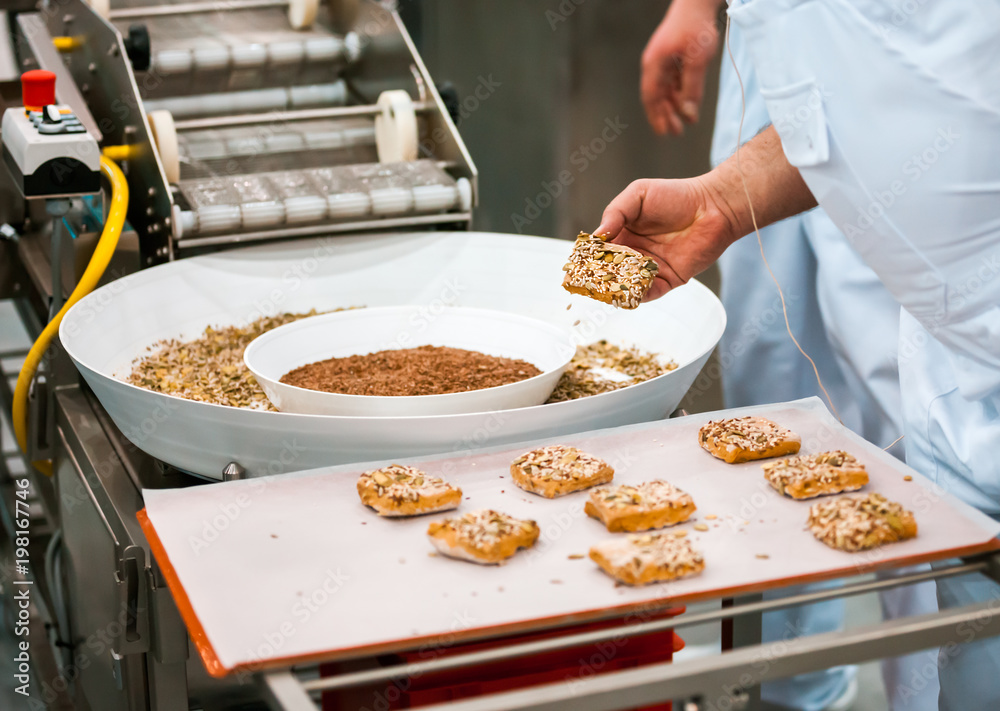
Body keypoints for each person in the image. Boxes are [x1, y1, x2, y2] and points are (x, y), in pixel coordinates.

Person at [603, 3, 1000, 710]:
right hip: (953, 372)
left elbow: (899, 105)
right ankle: (800, 684)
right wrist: (719, 203)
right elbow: (844, 116)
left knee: (887, 450)